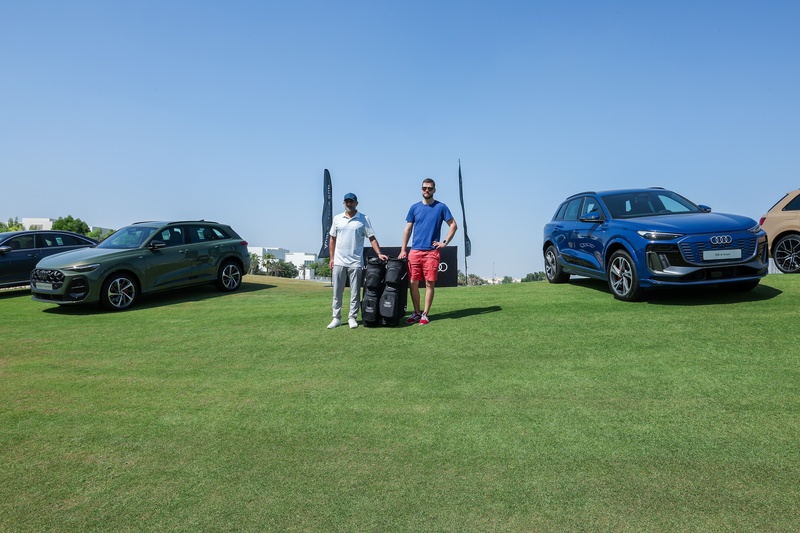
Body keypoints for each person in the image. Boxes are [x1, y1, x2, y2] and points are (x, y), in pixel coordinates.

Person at [399, 178, 458, 325]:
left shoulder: (441, 207)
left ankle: (425, 314)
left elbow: (453, 225)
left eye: (430, 188)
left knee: (429, 284)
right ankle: (416, 312)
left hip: (432, 252)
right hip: (415, 251)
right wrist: (403, 249)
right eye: (424, 188)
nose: (427, 190)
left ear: (434, 190)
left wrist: (444, 242)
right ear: (421, 189)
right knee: (413, 283)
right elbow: (408, 229)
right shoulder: (414, 208)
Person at [328, 192, 388, 329]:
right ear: (344, 203)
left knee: (355, 293)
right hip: (339, 261)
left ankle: (352, 317)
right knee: (337, 292)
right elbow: (332, 239)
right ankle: (336, 318)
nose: (349, 204)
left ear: (356, 203)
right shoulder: (337, 218)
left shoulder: (363, 219)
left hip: (355, 262)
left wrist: (379, 253)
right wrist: (331, 258)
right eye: (347, 202)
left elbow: (372, 238)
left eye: (351, 202)